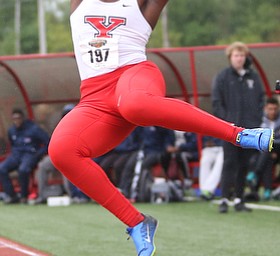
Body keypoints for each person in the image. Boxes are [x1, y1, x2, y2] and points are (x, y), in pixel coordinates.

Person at [48, 2, 273, 255]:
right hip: (95, 98)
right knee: (61, 150)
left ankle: (238, 134)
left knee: (134, 104)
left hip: (134, 77)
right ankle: (137, 223)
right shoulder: (81, 3)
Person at [212, 41, 266, 213]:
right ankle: (224, 200)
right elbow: (216, 103)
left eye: (242, 55)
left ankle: (239, 199)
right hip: (229, 129)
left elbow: (260, 100)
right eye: (236, 55)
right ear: (230, 57)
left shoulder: (253, 77)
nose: (239, 59)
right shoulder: (222, 77)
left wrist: (255, 122)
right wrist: (225, 122)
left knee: (244, 164)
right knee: (229, 163)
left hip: (249, 130)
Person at [0, 108, 49, 204]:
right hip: (16, 155)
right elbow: (12, 144)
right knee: (1, 168)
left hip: (30, 154)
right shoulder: (11, 130)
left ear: (23, 118)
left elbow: (48, 142)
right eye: (14, 118)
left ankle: (24, 196)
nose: (16, 121)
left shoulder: (34, 129)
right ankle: (12, 196)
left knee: (23, 169)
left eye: (18, 118)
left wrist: (39, 154)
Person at [246, 97, 280, 201]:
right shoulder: (259, 120)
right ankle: (267, 190)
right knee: (266, 156)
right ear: (265, 108)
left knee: (267, 145)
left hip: (278, 151)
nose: (273, 112)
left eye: (275, 109)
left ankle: (255, 174)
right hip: (263, 152)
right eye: (270, 109)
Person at [199, 136, 223, 201]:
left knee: (220, 163)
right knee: (205, 161)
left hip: (223, 147)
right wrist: (207, 142)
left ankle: (208, 190)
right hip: (210, 148)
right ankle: (204, 190)